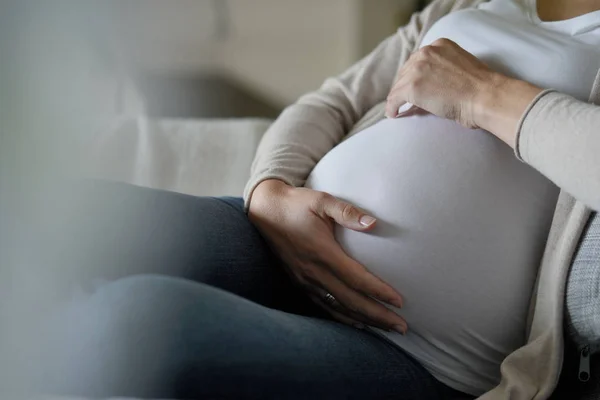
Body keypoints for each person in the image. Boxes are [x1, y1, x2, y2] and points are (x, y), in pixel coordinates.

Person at [30, 0, 600, 399]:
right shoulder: (469, 4)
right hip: (277, 241)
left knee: (133, 326)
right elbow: (330, 103)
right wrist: (270, 191)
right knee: (55, 219)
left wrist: (484, 94)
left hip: (417, 351)